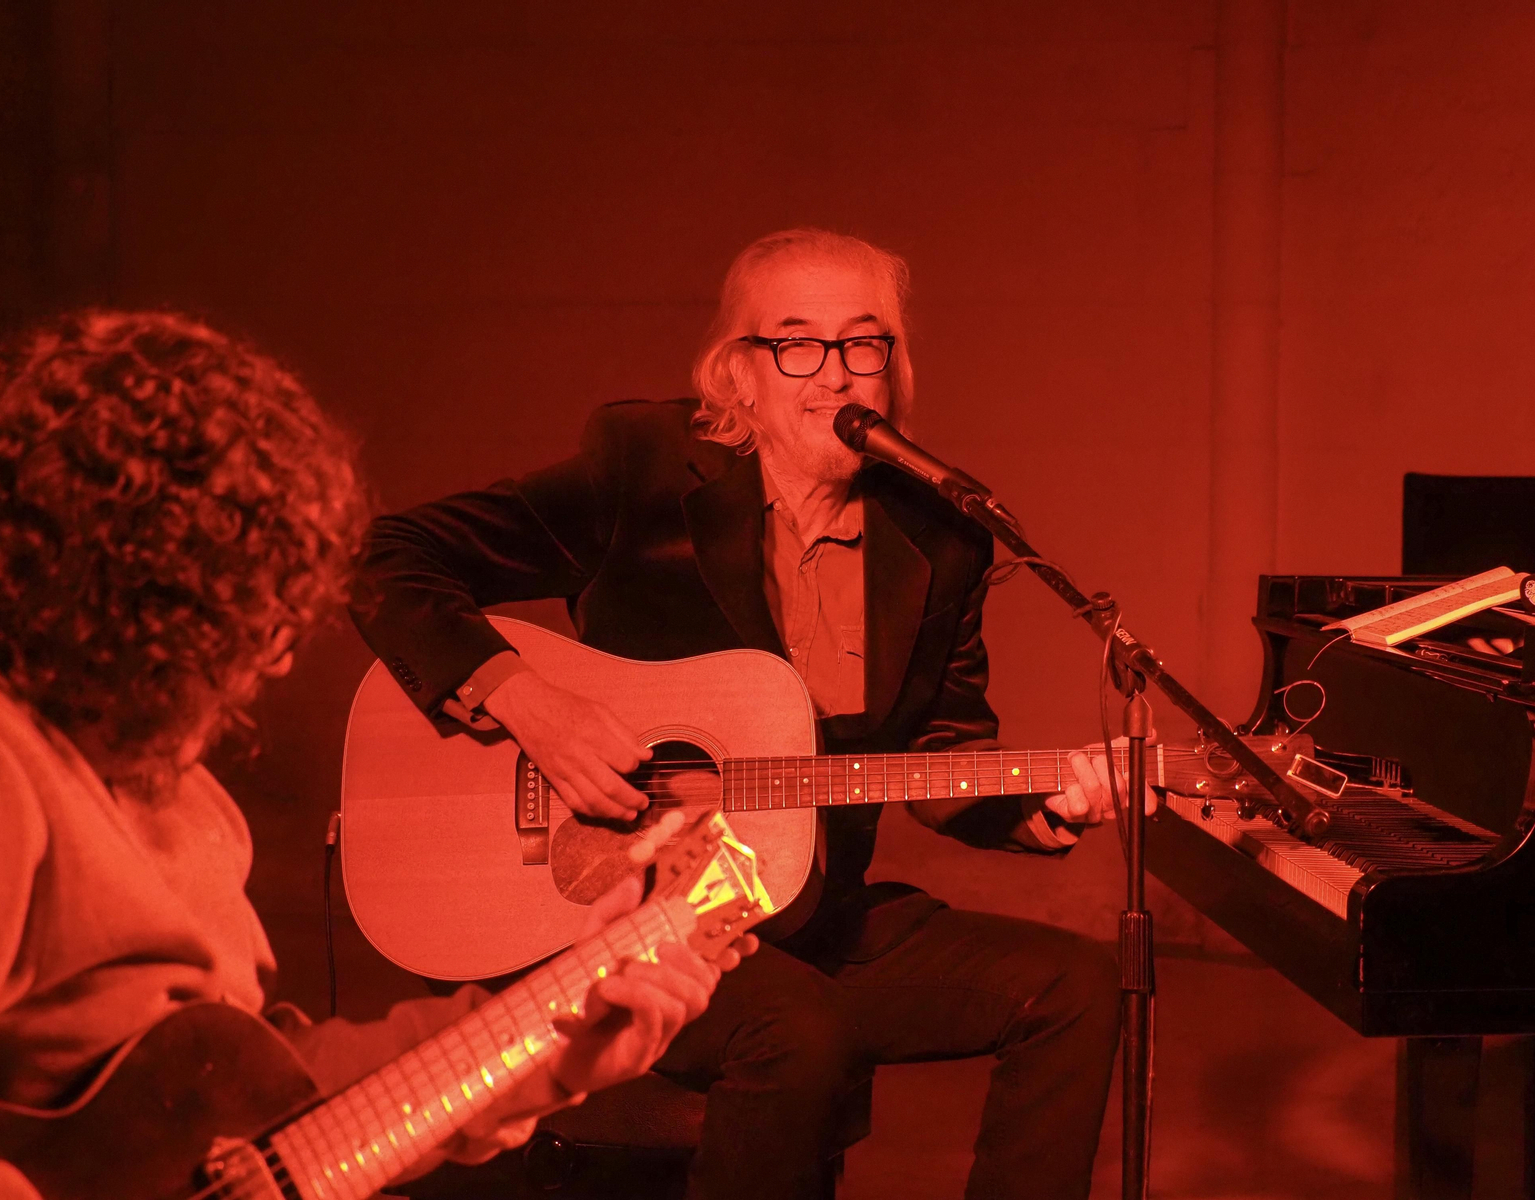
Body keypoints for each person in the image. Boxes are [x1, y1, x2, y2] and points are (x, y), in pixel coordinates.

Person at [351, 228, 1126, 1200]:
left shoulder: (942, 537)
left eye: (862, 343)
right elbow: (387, 557)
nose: (834, 374)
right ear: (738, 375)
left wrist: (1037, 806)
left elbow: (940, 751)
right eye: (796, 344)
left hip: (804, 911)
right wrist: (526, 699)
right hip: (609, 909)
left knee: (1076, 987)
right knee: (797, 1032)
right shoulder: (642, 473)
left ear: (893, 368)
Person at [0, 310, 751, 1182]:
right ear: (132, 596)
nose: (276, 657)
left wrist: (558, 1051)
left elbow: (270, 1112)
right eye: (243, 614)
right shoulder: (8, 770)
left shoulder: (184, 802)